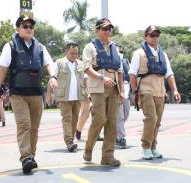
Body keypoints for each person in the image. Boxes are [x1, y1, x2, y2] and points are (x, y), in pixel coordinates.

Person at [0, 15, 57, 174]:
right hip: (18, 94)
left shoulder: (40, 47)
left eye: (31, 26)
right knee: (24, 125)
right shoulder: (10, 46)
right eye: (25, 26)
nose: (29, 29)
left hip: (36, 93)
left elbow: (49, 63)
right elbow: (2, 70)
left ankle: (31, 157)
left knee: (34, 128)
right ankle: (25, 157)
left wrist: (52, 77)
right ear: (18, 29)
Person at [129, 25, 181, 160]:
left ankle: (153, 147)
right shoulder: (138, 53)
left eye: (157, 35)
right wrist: (134, 92)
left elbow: (169, 73)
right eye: (152, 35)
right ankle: (146, 147)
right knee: (151, 118)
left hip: (160, 90)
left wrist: (175, 90)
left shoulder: (163, 54)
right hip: (145, 89)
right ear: (146, 36)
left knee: (157, 121)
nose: (155, 37)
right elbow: (132, 74)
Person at [81, 18, 125, 166]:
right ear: (97, 30)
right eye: (104, 29)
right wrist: (101, 77)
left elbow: (119, 70)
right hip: (97, 87)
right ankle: (88, 148)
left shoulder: (115, 48)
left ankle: (108, 156)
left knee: (112, 122)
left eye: (109, 29)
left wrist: (122, 91)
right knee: (100, 119)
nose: (107, 31)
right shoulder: (90, 47)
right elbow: (86, 68)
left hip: (113, 88)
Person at [48, 42, 87, 152]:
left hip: (77, 97)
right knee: (67, 119)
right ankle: (69, 141)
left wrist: (87, 94)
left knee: (74, 119)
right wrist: (48, 95)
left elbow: (85, 80)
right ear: (66, 52)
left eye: (76, 53)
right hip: (64, 97)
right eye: (72, 53)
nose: (75, 55)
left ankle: (71, 139)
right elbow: (52, 78)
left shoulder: (80, 64)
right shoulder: (59, 63)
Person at [116, 45, 131, 149]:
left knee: (126, 114)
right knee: (120, 116)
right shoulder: (113, 62)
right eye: (118, 51)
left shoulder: (126, 61)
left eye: (121, 51)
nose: (120, 53)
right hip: (117, 90)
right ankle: (121, 137)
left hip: (127, 90)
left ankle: (115, 133)